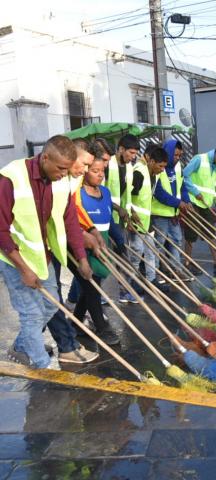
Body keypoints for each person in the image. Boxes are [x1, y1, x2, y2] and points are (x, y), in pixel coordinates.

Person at [0, 135, 92, 369]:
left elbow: (70, 220)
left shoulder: (62, 180)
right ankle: (42, 367)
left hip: (43, 257)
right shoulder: (11, 178)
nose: (64, 174)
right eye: (60, 168)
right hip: (14, 258)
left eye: (67, 169)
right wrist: (23, 269)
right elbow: (0, 229)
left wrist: (81, 259)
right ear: (45, 158)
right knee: (31, 314)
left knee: (52, 306)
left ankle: (22, 346)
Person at [46, 138, 100, 364]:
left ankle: (24, 343)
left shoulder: (69, 180)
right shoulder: (54, 178)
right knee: (50, 299)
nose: (85, 170)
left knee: (47, 300)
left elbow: (70, 214)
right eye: (83, 164)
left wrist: (88, 229)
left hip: (53, 246)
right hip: (34, 250)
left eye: (90, 166)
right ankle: (67, 347)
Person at [73, 157, 119, 345]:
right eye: (94, 171)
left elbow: (110, 219)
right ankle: (102, 328)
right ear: (84, 172)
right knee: (91, 286)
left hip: (102, 242)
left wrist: (117, 239)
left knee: (93, 285)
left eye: (102, 171)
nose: (100, 174)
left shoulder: (106, 192)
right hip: (83, 245)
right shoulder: (78, 194)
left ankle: (75, 322)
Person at [183, 143, 216, 273]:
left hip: (207, 203)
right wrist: (195, 191)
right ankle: (187, 263)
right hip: (194, 201)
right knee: (191, 234)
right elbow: (184, 175)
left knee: (211, 232)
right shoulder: (199, 159)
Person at [104, 134, 141, 302]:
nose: (133, 157)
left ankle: (124, 290)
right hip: (106, 217)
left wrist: (131, 211)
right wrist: (118, 208)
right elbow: (99, 193)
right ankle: (101, 294)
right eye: (131, 153)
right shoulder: (106, 165)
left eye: (135, 154)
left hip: (121, 218)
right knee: (104, 256)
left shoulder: (129, 167)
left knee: (122, 253)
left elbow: (125, 194)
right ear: (120, 149)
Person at [150, 139, 193, 277]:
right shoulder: (159, 167)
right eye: (175, 155)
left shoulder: (178, 167)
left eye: (179, 155)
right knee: (159, 244)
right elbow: (159, 193)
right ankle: (156, 273)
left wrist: (187, 201)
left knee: (177, 240)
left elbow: (182, 186)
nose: (177, 158)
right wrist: (178, 203)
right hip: (159, 213)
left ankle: (176, 270)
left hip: (173, 212)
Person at [130, 144, 169, 291]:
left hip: (147, 219)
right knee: (136, 253)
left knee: (151, 251)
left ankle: (151, 280)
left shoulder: (154, 174)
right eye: (160, 166)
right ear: (151, 161)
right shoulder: (139, 172)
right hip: (136, 220)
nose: (162, 169)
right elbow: (128, 197)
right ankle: (132, 282)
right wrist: (131, 215)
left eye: (164, 166)